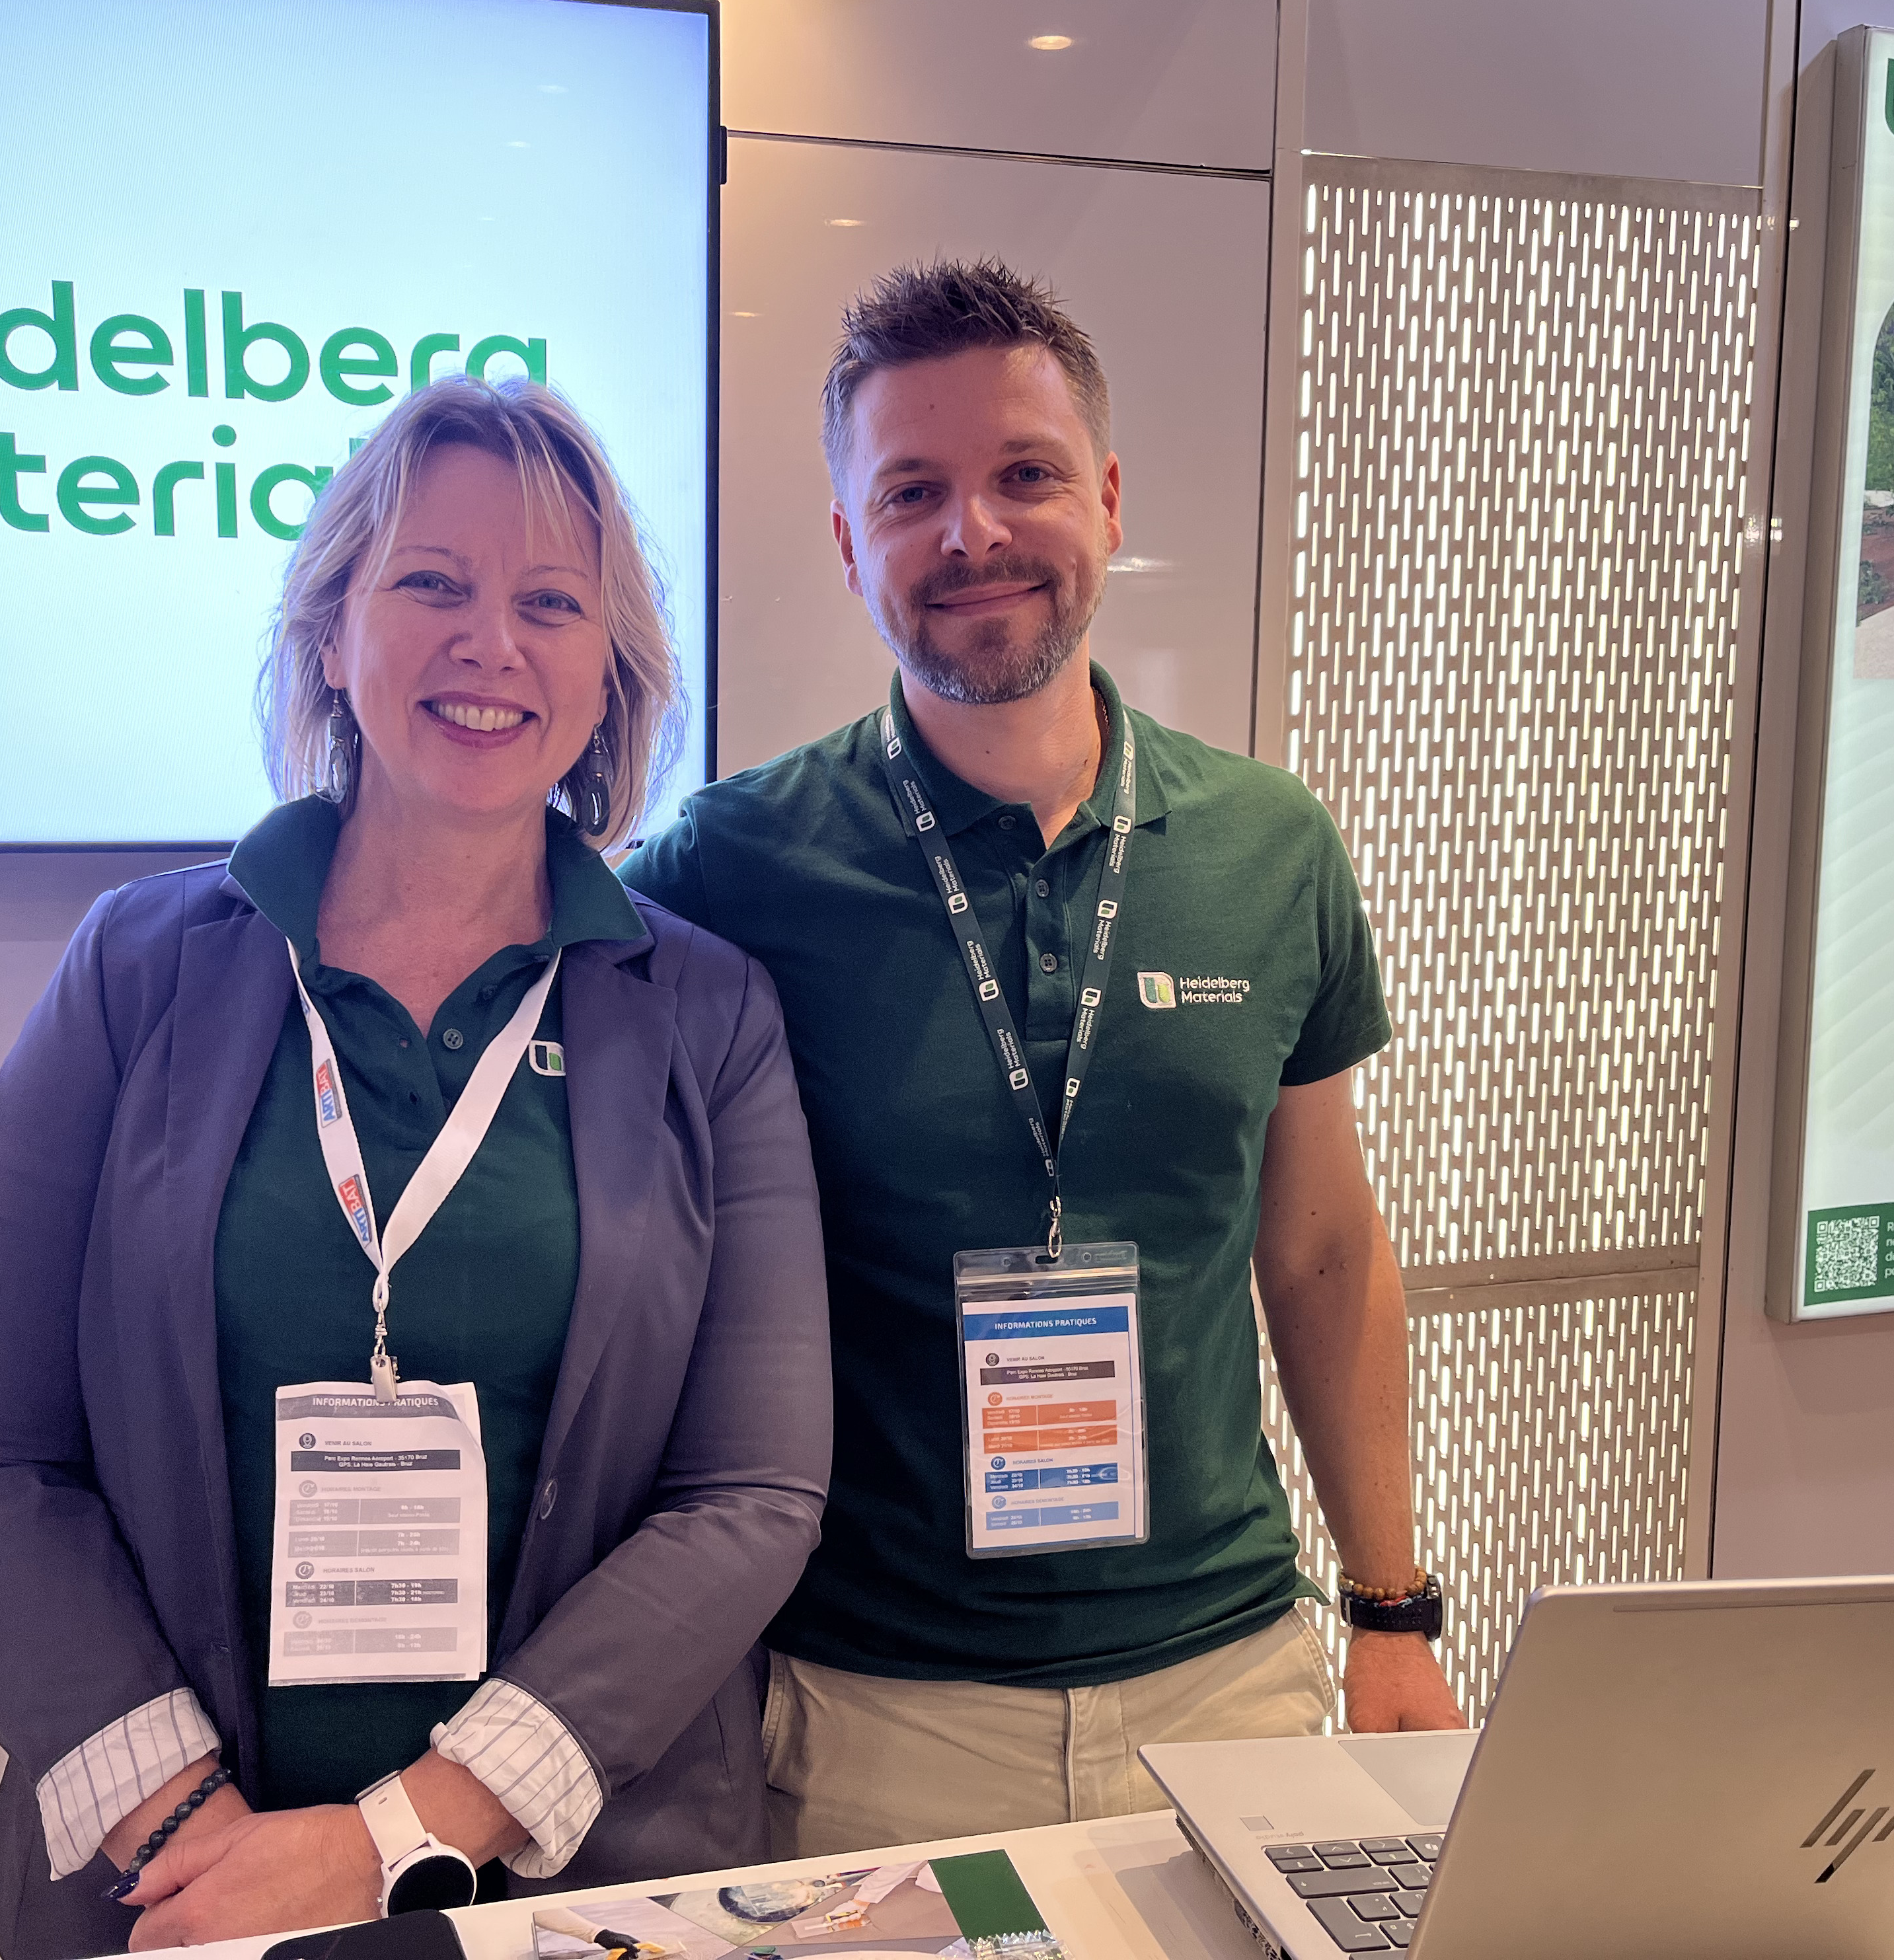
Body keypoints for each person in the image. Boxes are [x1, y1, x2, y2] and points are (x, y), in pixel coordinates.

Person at [0, 376, 831, 1958]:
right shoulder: (138, 970)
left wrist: (391, 1841)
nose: (493, 643)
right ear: (333, 632)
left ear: (608, 674)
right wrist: (201, 1844)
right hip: (174, 1893)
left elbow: (750, 1492)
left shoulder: (707, 1012)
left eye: (552, 604)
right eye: (433, 584)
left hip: (579, 1881)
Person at [623, 258, 1464, 1859]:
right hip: (873, 1714)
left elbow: (1321, 1249)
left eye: (1026, 475)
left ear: (1109, 499)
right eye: (912, 492)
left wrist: (1391, 1609)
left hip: (1230, 1677)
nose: (975, 534)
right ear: (846, 541)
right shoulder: (731, 867)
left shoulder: (1273, 846)